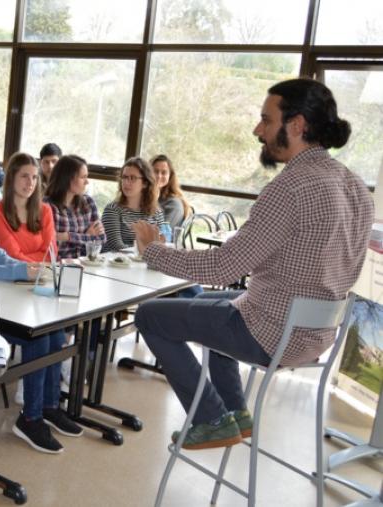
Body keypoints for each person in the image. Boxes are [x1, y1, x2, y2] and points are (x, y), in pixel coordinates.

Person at [131, 78, 373, 450]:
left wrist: (153, 252)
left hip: (274, 333)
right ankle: (236, 413)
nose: (257, 130)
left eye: (266, 119)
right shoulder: (356, 186)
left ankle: (211, 419)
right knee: (223, 304)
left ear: (296, 125)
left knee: (150, 315)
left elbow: (223, 268)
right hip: (318, 333)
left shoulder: (291, 187)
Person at [0, 153, 84, 452]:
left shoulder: (45, 211)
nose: (30, 182)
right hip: (6, 292)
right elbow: (12, 255)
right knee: (40, 339)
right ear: (12, 177)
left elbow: (51, 252)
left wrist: (39, 263)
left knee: (56, 334)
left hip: (39, 290)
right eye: (24, 176)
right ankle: (30, 417)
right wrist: (39, 262)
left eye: (34, 177)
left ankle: (49, 407)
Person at [43, 155, 106, 259]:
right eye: (83, 177)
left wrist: (67, 236)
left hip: (85, 265)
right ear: (68, 179)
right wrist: (87, 236)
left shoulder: (88, 203)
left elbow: (101, 240)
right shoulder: (47, 206)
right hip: (57, 268)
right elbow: (49, 245)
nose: (87, 182)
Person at [101, 157, 166, 252]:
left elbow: (160, 244)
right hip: (115, 264)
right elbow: (117, 246)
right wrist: (145, 252)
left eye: (133, 178)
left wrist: (148, 253)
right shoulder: (112, 209)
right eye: (124, 177)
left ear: (145, 183)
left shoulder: (157, 211)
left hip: (144, 263)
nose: (127, 182)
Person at [151, 154, 190, 228]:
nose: (159, 176)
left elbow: (161, 234)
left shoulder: (174, 204)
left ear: (170, 176)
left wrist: (153, 201)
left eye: (164, 172)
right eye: (155, 171)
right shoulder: (143, 197)